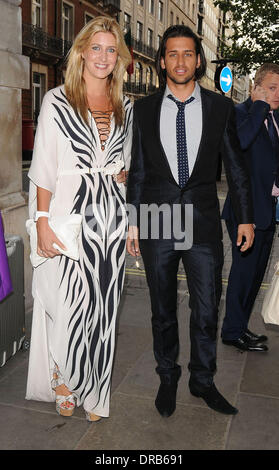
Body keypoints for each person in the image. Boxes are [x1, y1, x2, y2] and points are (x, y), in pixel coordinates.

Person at [126, 25, 254, 417]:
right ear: (162, 60)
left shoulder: (220, 108)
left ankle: (202, 380)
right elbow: (139, 171)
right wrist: (133, 221)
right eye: (172, 54)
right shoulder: (144, 109)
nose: (180, 61)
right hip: (156, 220)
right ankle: (167, 377)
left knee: (206, 309)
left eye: (187, 53)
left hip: (202, 225)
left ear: (198, 60)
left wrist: (245, 219)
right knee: (161, 310)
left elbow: (235, 166)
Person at [25, 16, 133, 422]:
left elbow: (122, 163)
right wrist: (40, 220)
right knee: (69, 304)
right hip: (68, 214)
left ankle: (96, 391)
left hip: (109, 218)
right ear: (82, 52)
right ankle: (63, 378)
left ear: (117, 58)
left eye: (111, 49)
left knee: (104, 308)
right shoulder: (57, 100)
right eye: (97, 48)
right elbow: (45, 165)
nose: (103, 56)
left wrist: (122, 180)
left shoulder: (124, 106)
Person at [221, 63, 279, 351]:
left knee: (257, 275)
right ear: (256, 87)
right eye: (271, 87)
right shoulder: (239, 113)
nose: (277, 93)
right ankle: (232, 331)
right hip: (245, 212)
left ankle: (241, 326)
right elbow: (240, 144)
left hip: (268, 210)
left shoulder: (277, 117)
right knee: (243, 274)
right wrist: (258, 107)